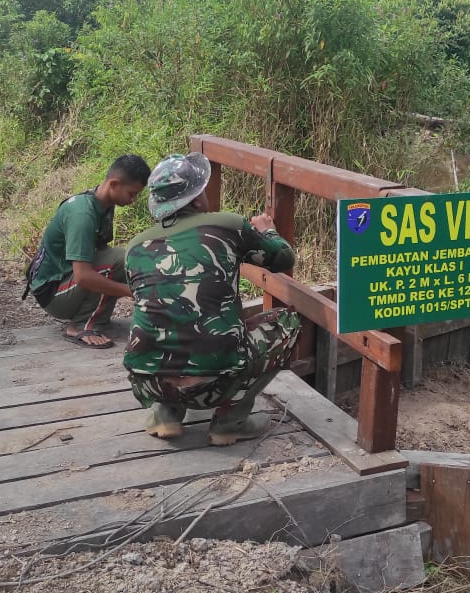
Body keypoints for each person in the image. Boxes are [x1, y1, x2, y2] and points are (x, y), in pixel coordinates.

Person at [123, 152, 301, 446]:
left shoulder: (134, 247)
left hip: (149, 381)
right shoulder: (227, 225)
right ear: (195, 200)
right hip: (219, 381)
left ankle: (165, 413)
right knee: (288, 323)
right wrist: (268, 230)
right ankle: (230, 422)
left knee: (162, 324)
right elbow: (283, 258)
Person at [25, 154, 151, 348]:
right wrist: (130, 291)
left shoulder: (103, 204)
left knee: (125, 259)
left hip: (66, 281)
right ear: (114, 184)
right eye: (131, 193)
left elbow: (103, 253)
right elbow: (83, 276)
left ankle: (97, 318)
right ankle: (81, 325)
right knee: (112, 264)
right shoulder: (83, 214)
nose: (133, 200)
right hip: (53, 293)